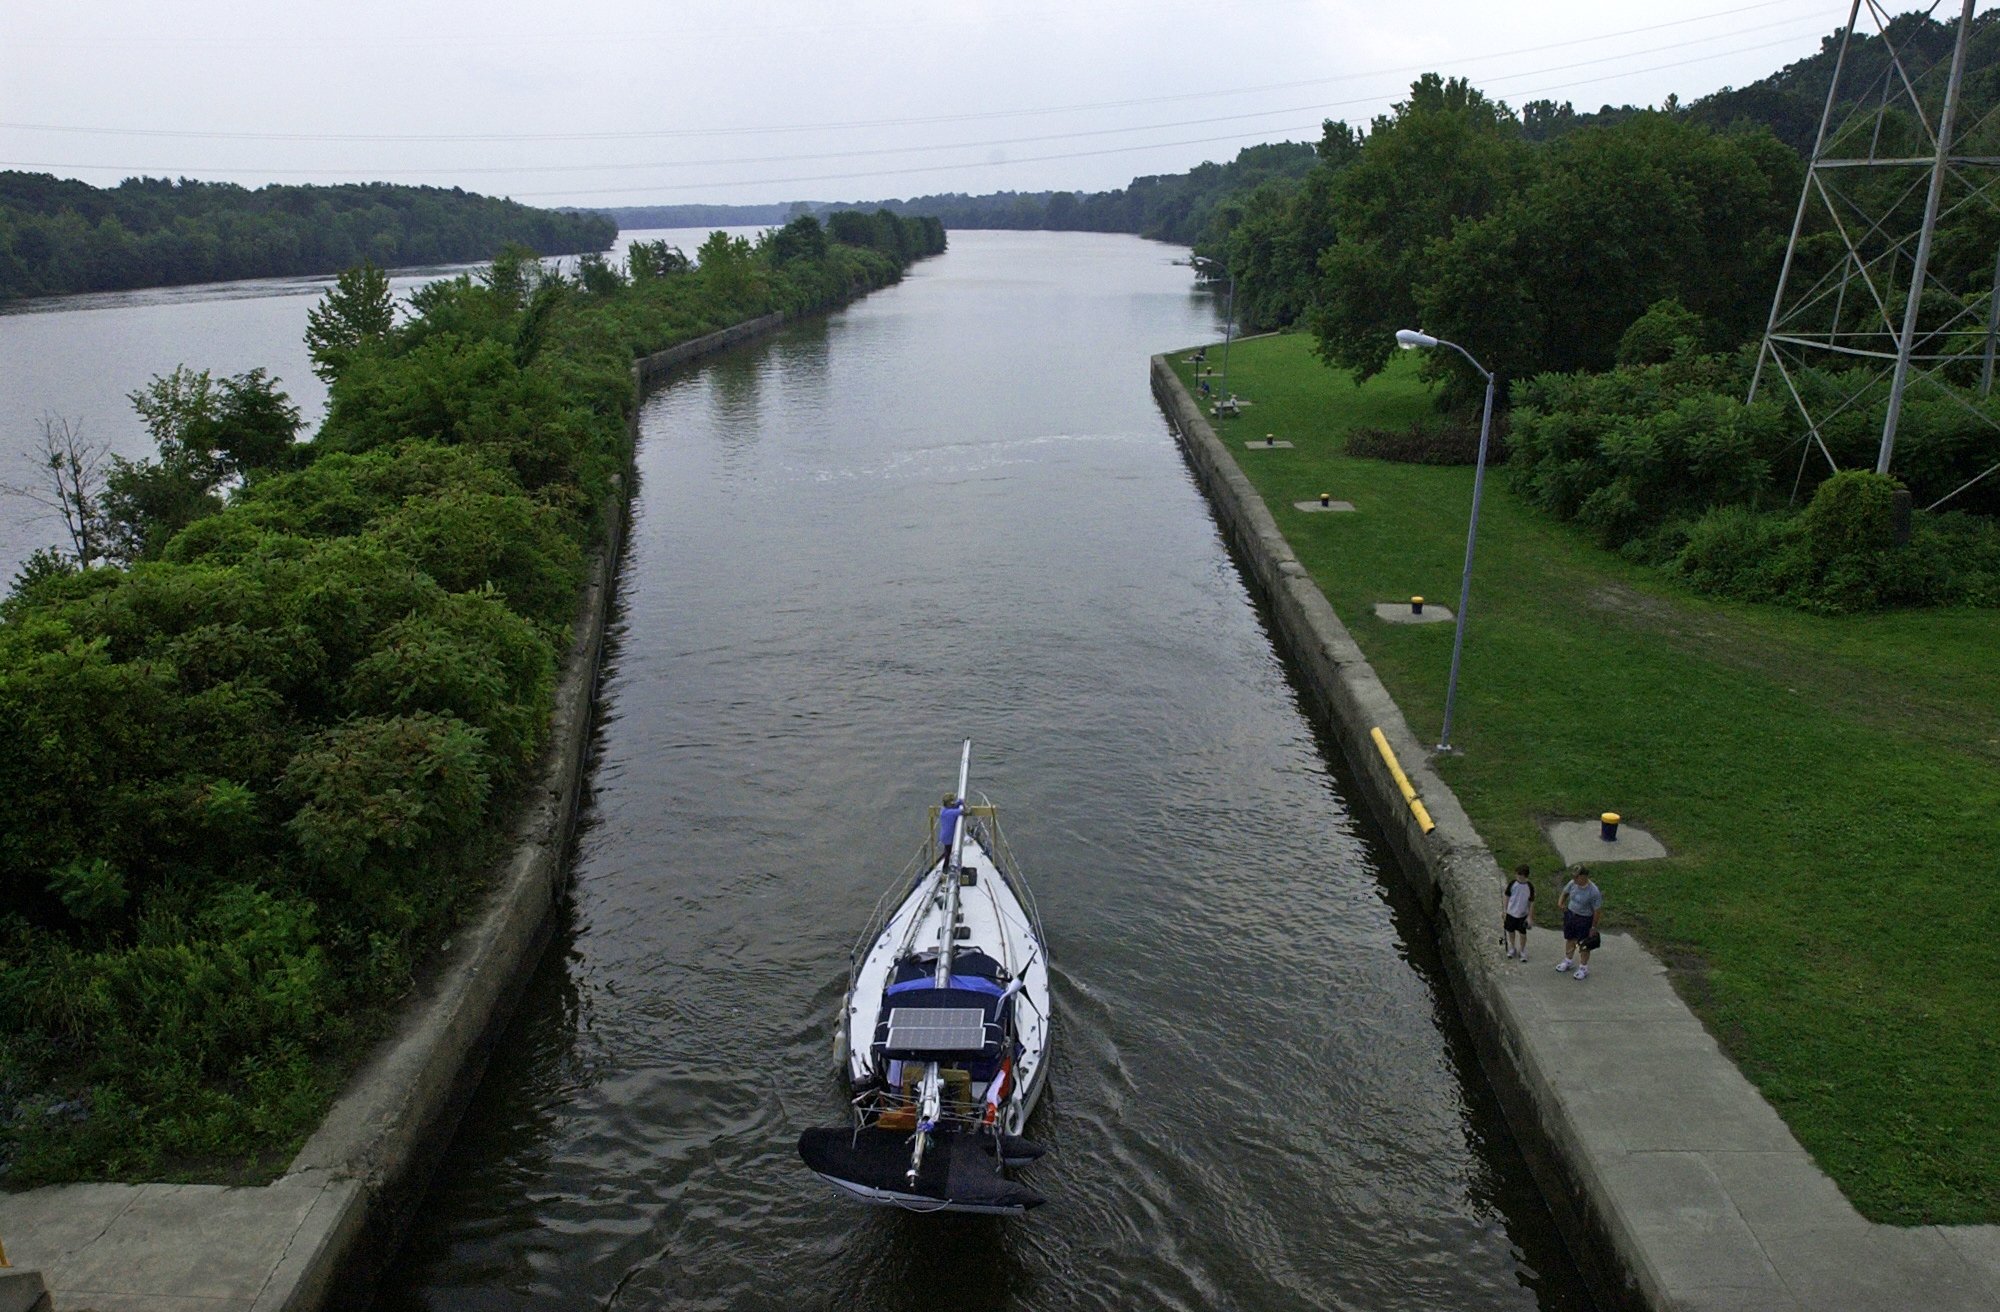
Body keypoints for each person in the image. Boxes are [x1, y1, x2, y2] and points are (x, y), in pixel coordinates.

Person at [1556, 866, 1602, 980]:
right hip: (1571, 915)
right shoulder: (1573, 883)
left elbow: (1597, 911)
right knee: (1570, 938)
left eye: (1576, 877)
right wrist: (1560, 903)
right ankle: (1568, 960)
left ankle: (1583, 967)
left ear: (1584, 876)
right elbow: (1565, 892)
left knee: (1583, 943)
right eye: (1573, 876)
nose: (1574, 879)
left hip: (1584, 919)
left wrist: (1593, 927)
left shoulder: (1593, 891)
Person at [1502, 864, 1534, 962]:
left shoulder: (1529, 886)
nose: (1518, 876)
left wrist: (1530, 916)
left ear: (1525, 875)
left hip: (1522, 914)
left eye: (1520, 875)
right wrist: (1505, 910)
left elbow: (1531, 902)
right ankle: (1512, 947)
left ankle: (1523, 950)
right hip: (1511, 913)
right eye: (1517, 874)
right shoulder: (1512, 884)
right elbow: (1507, 896)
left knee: (1522, 933)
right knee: (1510, 931)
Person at [937, 793, 964, 864]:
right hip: (948, 838)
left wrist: (958, 803)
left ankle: (946, 866)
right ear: (949, 803)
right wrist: (962, 803)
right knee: (948, 854)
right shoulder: (950, 813)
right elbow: (963, 811)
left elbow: (954, 806)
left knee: (947, 851)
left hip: (945, 836)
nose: (953, 803)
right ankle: (945, 868)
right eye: (952, 801)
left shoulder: (944, 810)